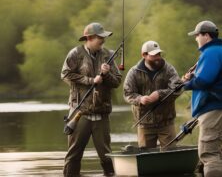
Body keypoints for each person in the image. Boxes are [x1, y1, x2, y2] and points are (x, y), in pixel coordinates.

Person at [61, 22, 122, 177]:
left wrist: (106, 74)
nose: (103, 40)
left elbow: (116, 82)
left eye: (103, 37)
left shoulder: (108, 55)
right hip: (79, 113)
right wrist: (90, 80)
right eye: (99, 37)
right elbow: (65, 74)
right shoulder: (76, 53)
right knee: (74, 154)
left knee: (106, 155)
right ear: (89, 38)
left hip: (101, 113)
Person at [182, 21, 222, 177]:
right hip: (217, 108)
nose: (196, 38)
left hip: (213, 109)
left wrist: (185, 85)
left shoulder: (211, 53)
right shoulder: (218, 51)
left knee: (209, 155)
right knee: (215, 153)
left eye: (197, 35)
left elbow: (204, 81)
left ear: (206, 35)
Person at [123, 40, 182, 148]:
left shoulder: (169, 69)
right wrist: (140, 99)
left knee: (171, 153)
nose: (158, 57)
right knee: (146, 156)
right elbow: (128, 93)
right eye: (154, 55)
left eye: (159, 54)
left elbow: (178, 89)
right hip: (144, 124)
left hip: (166, 122)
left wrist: (160, 94)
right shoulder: (134, 72)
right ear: (144, 55)